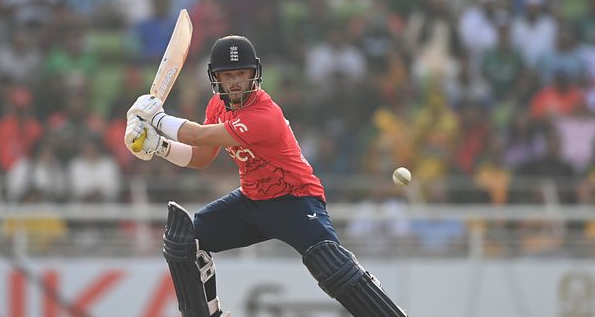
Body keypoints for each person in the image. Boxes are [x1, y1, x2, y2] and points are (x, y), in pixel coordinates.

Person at [124, 35, 407, 317]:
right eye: (228, 75)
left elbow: (196, 134)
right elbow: (200, 156)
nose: (235, 81)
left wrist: (156, 118)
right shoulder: (217, 106)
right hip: (252, 202)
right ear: (216, 78)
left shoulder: (264, 114)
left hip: (296, 202)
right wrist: (159, 147)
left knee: (330, 264)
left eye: (241, 74)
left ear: (254, 75)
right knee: (184, 242)